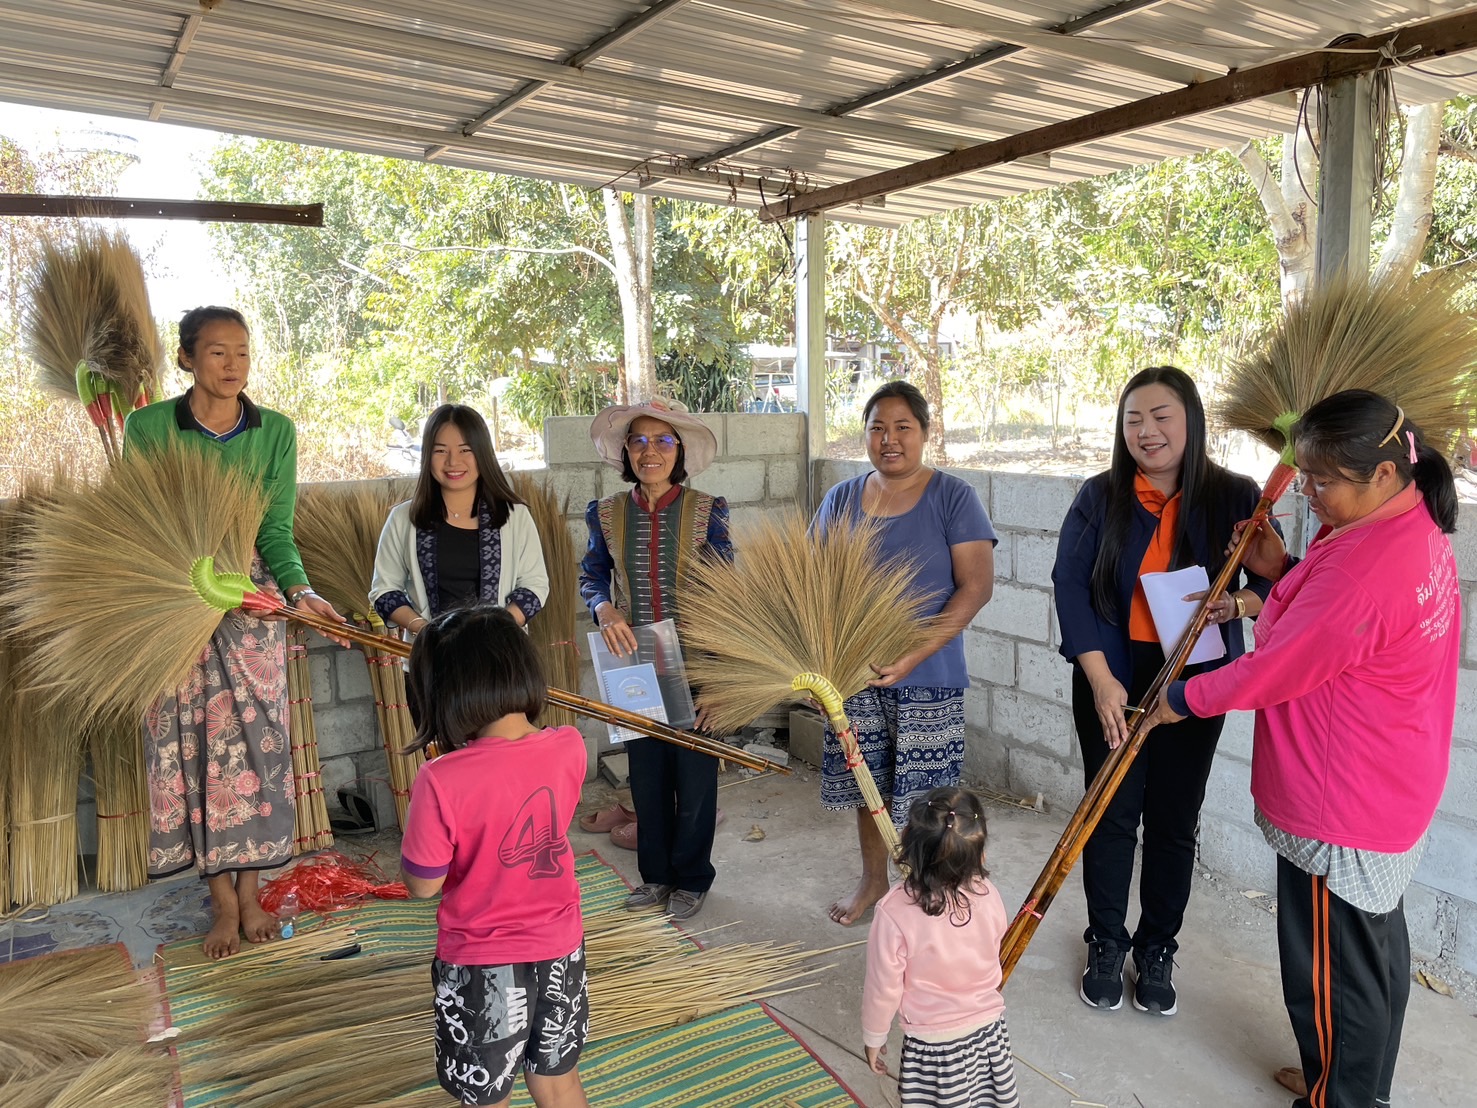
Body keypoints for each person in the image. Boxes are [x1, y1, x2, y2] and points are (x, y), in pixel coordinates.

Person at [1148, 390, 1459, 1108]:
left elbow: (1276, 667)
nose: (1310, 494)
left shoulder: (1363, 569)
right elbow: (1333, 626)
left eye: (1322, 482)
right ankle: (1349, 1081)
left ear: (1383, 473)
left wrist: (1180, 699)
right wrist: (1282, 567)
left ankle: (1338, 1097)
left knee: (1332, 972)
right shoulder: (1407, 525)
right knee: (1372, 952)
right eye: (1306, 477)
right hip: (1392, 779)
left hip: (1341, 797)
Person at [1052, 365, 1276, 1014]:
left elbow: (1277, 581)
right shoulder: (1100, 497)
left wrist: (1236, 605)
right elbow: (1070, 586)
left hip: (1195, 680)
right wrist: (1100, 682)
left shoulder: (1235, 496)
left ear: (1190, 422)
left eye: (1160, 416)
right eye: (1133, 420)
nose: (1145, 431)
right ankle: (1105, 941)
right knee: (1110, 812)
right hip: (1112, 672)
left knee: (1175, 819)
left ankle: (1156, 948)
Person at [123, 305, 345, 959]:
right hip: (173, 601)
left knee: (255, 751)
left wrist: (299, 592)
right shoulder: (149, 428)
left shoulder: (274, 432)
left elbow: (275, 530)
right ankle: (221, 902)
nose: (233, 365)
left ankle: (252, 895)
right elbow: (138, 521)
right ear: (187, 357)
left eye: (242, 352)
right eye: (218, 352)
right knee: (187, 751)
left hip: (251, 604)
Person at [811, 380, 996, 926]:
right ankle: (873, 882)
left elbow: (976, 587)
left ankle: (934, 889)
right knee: (867, 785)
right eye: (877, 428)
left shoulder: (953, 497)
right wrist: (822, 672)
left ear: (925, 433)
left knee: (933, 801)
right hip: (854, 676)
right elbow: (813, 585)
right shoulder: (840, 499)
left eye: (902, 427)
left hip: (929, 674)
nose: (889, 439)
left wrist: (915, 653)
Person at [400, 605, 590, 1108]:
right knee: (559, 1083)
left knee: (487, 1099)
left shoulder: (440, 779)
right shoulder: (570, 746)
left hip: (482, 967)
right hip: (561, 950)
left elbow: (423, 884)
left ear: (444, 694)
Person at [577, 398, 731, 921]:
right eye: (638, 440)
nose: (650, 451)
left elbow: (728, 595)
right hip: (635, 666)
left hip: (696, 663)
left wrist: (720, 681)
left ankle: (693, 877)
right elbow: (591, 576)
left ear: (679, 451)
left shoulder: (708, 510)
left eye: (663, 440)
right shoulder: (606, 513)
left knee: (695, 778)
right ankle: (657, 877)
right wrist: (603, 609)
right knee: (646, 777)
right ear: (626, 451)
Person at [862, 787, 1019, 1108]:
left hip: (933, 1048)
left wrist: (874, 1037)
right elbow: (995, 945)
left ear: (906, 840)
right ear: (980, 854)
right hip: (989, 1033)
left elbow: (883, 987)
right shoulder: (988, 893)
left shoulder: (893, 911)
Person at [371, 403, 548, 633]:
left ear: (482, 453)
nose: (453, 461)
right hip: (431, 651)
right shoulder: (404, 518)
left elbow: (534, 588)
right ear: (427, 455)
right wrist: (427, 633)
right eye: (440, 451)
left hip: (500, 650)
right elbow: (384, 592)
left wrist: (494, 632)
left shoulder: (515, 516)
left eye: (465, 450)